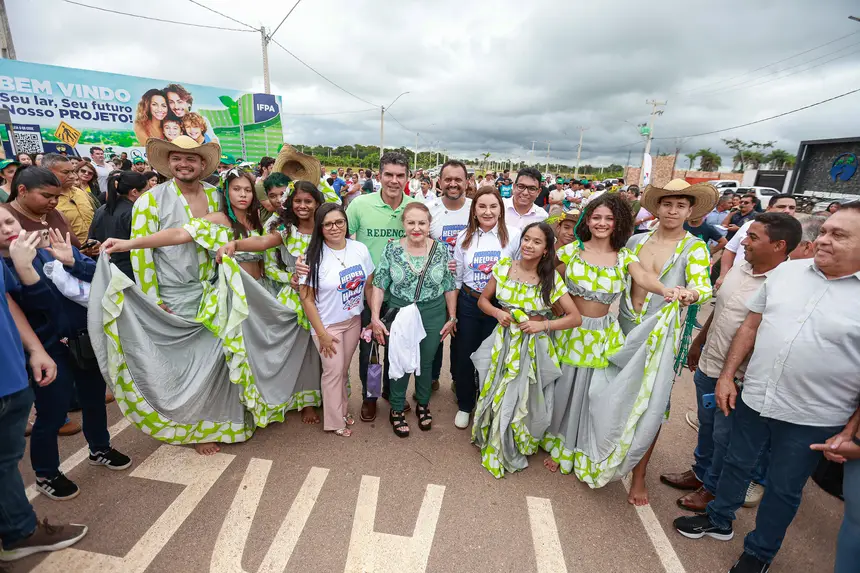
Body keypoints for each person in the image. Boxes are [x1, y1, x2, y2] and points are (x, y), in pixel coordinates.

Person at [674, 204, 860, 573]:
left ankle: (759, 553)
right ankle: (719, 519)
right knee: (735, 461)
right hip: (755, 396)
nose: (823, 239)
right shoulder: (787, 272)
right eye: (824, 231)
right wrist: (727, 376)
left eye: (838, 235)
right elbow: (750, 326)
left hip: (814, 417)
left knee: (783, 487)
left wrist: (851, 430)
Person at [541, 193, 690, 488]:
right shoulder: (571, 252)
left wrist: (666, 290)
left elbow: (644, 278)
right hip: (570, 332)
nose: (602, 223)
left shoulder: (624, 256)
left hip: (602, 334)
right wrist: (554, 306)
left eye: (609, 218)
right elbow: (546, 278)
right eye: (596, 217)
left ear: (617, 222)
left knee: (590, 394)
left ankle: (574, 447)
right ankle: (555, 442)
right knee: (563, 388)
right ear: (587, 220)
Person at [663, 213, 802, 513]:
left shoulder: (789, 284)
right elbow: (720, 310)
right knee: (708, 426)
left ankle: (713, 488)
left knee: (727, 437)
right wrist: (699, 342)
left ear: (779, 245)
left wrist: (736, 376)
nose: (744, 242)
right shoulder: (742, 267)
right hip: (710, 363)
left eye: (753, 237)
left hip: (739, 377)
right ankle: (701, 472)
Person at [2, 221, 132, 501]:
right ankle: (46, 473)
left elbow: (99, 276)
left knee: (94, 399)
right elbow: (41, 307)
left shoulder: (50, 248)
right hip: (46, 350)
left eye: (8, 221)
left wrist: (73, 261)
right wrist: (25, 270)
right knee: (52, 412)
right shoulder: (6, 268)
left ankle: (100, 447)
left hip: (82, 339)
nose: (5, 229)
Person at [617, 180, 716, 505]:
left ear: (690, 211)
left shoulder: (694, 247)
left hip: (661, 335)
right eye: (668, 204)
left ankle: (639, 475)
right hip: (623, 327)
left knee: (654, 404)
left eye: (680, 206)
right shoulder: (636, 240)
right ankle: (608, 452)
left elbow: (704, 286)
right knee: (616, 393)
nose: (673, 211)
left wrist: (691, 294)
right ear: (657, 207)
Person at [471, 222, 581, 477]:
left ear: (546, 249)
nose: (529, 245)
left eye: (537, 242)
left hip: (532, 348)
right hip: (503, 342)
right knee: (496, 388)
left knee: (522, 396)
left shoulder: (550, 279)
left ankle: (513, 439)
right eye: (526, 239)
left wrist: (542, 325)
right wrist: (497, 312)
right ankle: (495, 435)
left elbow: (575, 318)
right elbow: (483, 300)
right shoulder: (504, 267)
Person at [0, 255, 90, 561]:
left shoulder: (30, 256)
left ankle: (19, 531)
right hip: (26, 367)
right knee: (47, 420)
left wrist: (35, 349)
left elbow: (12, 301)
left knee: (6, 461)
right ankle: (44, 478)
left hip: (14, 374)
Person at [369, 202, 457, 437]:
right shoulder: (392, 249)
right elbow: (379, 283)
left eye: (422, 223)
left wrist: (452, 316)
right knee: (400, 360)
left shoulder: (442, 250)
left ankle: (423, 404)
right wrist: (375, 317)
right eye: (411, 223)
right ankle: (397, 408)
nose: (416, 228)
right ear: (403, 224)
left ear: (429, 225)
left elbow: (449, 285)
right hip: (400, 312)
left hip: (433, 312)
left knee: (426, 361)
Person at [346, 152, 415, 422]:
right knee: (370, 349)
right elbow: (340, 238)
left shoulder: (415, 207)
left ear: (408, 177)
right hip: (369, 291)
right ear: (379, 176)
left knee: (398, 347)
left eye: (400, 175)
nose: (394, 181)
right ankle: (370, 396)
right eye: (389, 174)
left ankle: (391, 391)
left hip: (402, 294)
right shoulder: (360, 205)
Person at [299, 203, 374, 437]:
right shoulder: (311, 257)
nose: (335, 228)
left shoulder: (359, 249)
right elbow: (307, 299)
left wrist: (374, 316)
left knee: (342, 370)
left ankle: (341, 411)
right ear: (320, 228)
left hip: (352, 320)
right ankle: (334, 422)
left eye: (339, 222)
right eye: (328, 224)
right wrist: (321, 334)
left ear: (346, 223)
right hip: (327, 325)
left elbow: (369, 285)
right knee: (332, 372)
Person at [451, 187, 519, 429]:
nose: (487, 211)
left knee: (494, 355)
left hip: (500, 305)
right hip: (469, 302)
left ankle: (487, 403)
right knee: (465, 354)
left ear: (501, 209)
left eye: (493, 206)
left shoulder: (514, 235)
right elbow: (457, 278)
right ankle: (465, 404)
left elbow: (520, 271)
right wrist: (453, 314)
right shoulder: (464, 237)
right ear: (474, 210)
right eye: (482, 206)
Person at [427, 160, 473, 391]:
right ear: (439, 182)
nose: (453, 184)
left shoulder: (476, 209)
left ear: (467, 182)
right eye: (448, 179)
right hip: (435, 286)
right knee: (434, 335)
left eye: (458, 179)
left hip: (466, 286)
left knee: (461, 337)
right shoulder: (429, 209)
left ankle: (458, 379)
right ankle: (431, 378)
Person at [716, 194, 797, 289]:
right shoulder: (750, 225)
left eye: (792, 208)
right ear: (769, 208)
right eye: (781, 207)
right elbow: (730, 250)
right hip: (735, 278)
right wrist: (723, 276)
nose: (787, 211)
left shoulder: (797, 235)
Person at [88, 171, 149, 280]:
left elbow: (92, 238)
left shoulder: (102, 209)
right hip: (129, 271)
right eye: (146, 191)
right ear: (134, 192)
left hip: (106, 268)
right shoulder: (135, 212)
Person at [5, 166, 79, 249]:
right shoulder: (4, 218)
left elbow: (76, 248)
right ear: (22, 190)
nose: (54, 201)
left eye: (57, 197)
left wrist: (83, 252)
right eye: (47, 196)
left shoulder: (59, 215)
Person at [43, 154, 97, 252]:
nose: (73, 176)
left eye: (73, 171)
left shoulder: (80, 192)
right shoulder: (44, 201)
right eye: (66, 172)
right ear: (48, 172)